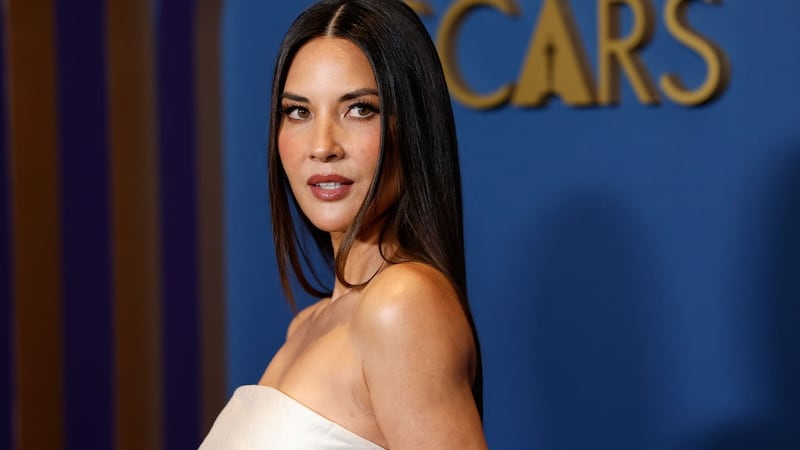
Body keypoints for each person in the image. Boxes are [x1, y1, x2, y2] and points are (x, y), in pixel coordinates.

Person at [200, 0, 486, 448]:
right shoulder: (307, 325)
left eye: (359, 109)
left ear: (410, 126)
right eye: (299, 111)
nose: (322, 146)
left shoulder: (401, 305)